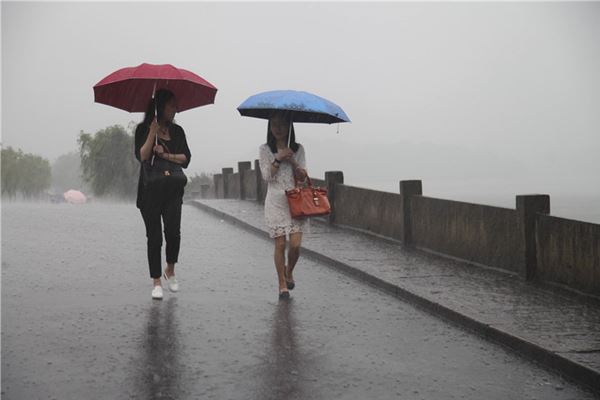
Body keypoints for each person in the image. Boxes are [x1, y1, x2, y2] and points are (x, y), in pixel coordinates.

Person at [135, 89, 191, 300]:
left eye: (175, 105)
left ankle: (170, 269)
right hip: (150, 190)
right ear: (160, 107)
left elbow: (186, 158)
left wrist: (165, 154)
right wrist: (152, 133)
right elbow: (141, 155)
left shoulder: (178, 132)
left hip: (173, 189)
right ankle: (156, 281)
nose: (175, 109)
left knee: (173, 233)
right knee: (155, 237)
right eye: (171, 105)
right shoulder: (143, 129)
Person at [259, 111, 308, 299]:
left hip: (294, 201)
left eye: (281, 124)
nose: (277, 128)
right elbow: (266, 176)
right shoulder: (265, 149)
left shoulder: (298, 148)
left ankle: (289, 271)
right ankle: (282, 284)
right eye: (274, 125)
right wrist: (278, 158)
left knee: (295, 245)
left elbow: (303, 177)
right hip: (275, 202)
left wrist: (293, 160)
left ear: (289, 126)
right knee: (280, 244)